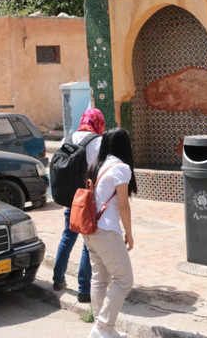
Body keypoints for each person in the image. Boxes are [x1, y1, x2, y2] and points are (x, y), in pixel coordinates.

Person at [82, 127, 137, 338]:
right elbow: (124, 205)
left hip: (91, 230)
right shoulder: (120, 168)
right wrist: (129, 234)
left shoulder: (98, 165)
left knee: (99, 278)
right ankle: (103, 328)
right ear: (125, 146)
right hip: (106, 231)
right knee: (124, 280)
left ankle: (102, 328)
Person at [52, 107, 104, 302]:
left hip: (69, 198)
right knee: (87, 243)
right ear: (98, 122)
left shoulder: (67, 138)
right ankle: (84, 289)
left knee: (67, 237)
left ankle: (58, 279)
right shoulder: (99, 142)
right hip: (88, 199)